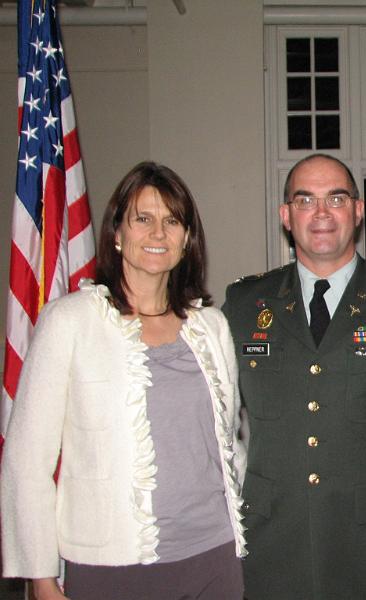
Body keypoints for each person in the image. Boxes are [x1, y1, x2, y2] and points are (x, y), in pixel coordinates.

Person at [0, 162, 247, 600]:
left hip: (214, 556)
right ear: (117, 234)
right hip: (110, 566)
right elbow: (27, 460)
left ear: (187, 239)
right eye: (143, 219)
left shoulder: (212, 326)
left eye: (172, 221)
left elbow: (227, 443)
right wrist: (40, 575)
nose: (158, 233)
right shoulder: (69, 322)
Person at [222, 153, 366, 600]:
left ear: (358, 210)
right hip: (268, 541)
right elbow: (215, 425)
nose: (321, 212)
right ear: (286, 215)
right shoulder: (245, 305)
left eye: (336, 198)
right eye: (305, 200)